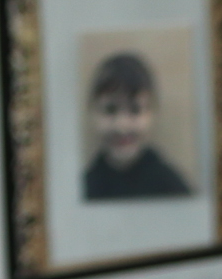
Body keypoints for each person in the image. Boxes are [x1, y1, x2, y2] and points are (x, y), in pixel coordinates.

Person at [82, 52, 192, 202]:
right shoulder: (82, 188)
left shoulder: (173, 189)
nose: (122, 126)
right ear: (92, 112)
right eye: (110, 110)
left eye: (135, 110)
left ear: (153, 113)